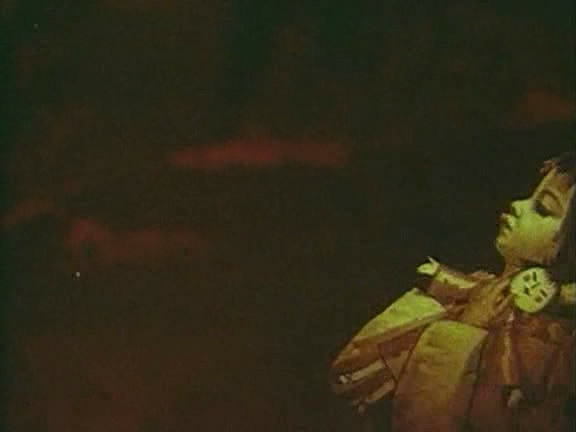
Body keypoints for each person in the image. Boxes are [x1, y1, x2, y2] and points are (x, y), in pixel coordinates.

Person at [331, 152, 575, 431]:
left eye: (543, 209)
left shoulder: (550, 349)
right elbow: (351, 376)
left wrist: (463, 334)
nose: (517, 205)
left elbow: (423, 420)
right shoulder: (465, 291)